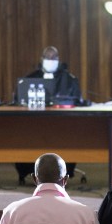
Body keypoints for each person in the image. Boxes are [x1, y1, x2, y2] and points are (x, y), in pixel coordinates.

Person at [14, 46, 82, 185]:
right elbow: (19, 100)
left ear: (58, 60)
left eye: (54, 58)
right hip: (34, 125)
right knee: (26, 136)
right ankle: (27, 171)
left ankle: (63, 172)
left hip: (63, 126)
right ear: (42, 60)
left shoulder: (69, 79)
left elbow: (77, 101)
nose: (51, 60)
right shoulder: (30, 78)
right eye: (48, 57)